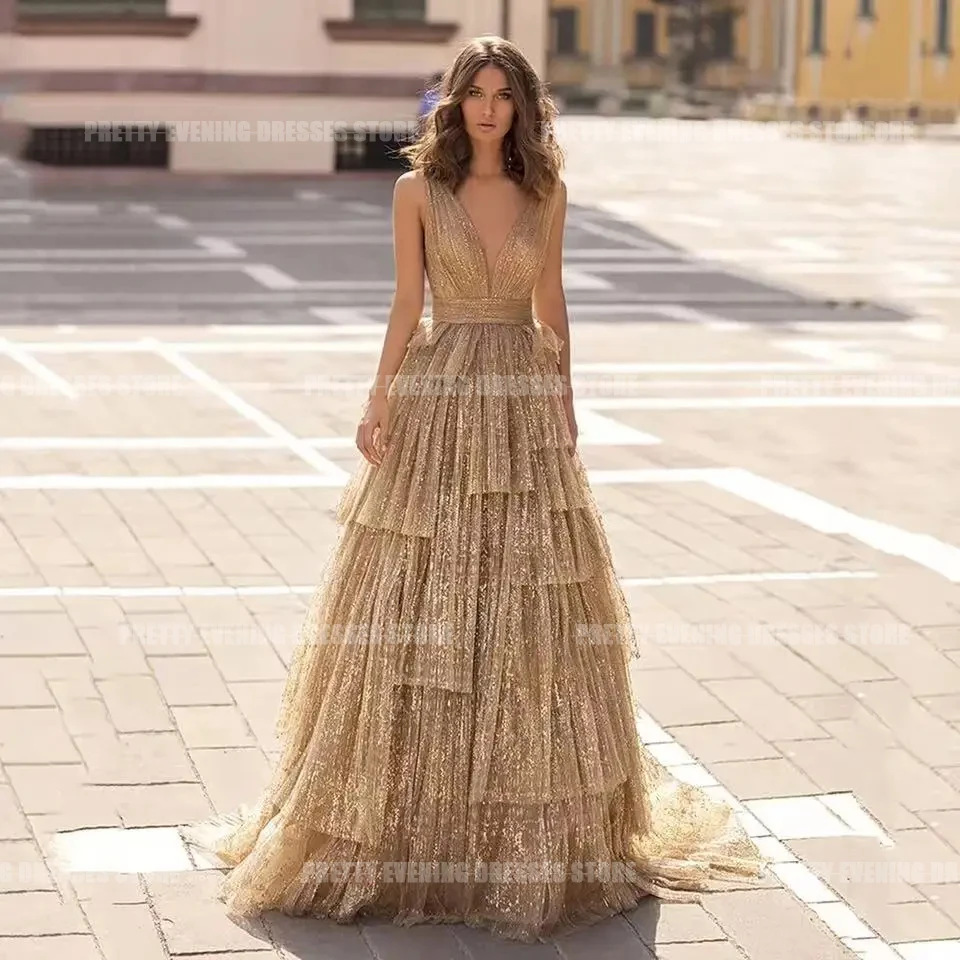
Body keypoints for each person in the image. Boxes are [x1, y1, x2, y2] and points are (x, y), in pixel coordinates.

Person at [182, 35, 768, 943]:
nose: (490, 108)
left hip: (524, 402)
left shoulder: (547, 192)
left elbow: (553, 304)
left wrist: (567, 402)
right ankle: (403, 825)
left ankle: (522, 834)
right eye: (476, 93)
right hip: (442, 389)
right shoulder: (416, 192)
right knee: (421, 580)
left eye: (505, 95)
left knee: (529, 598)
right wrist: (378, 400)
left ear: (524, 108)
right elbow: (406, 304)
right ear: (453, 104)